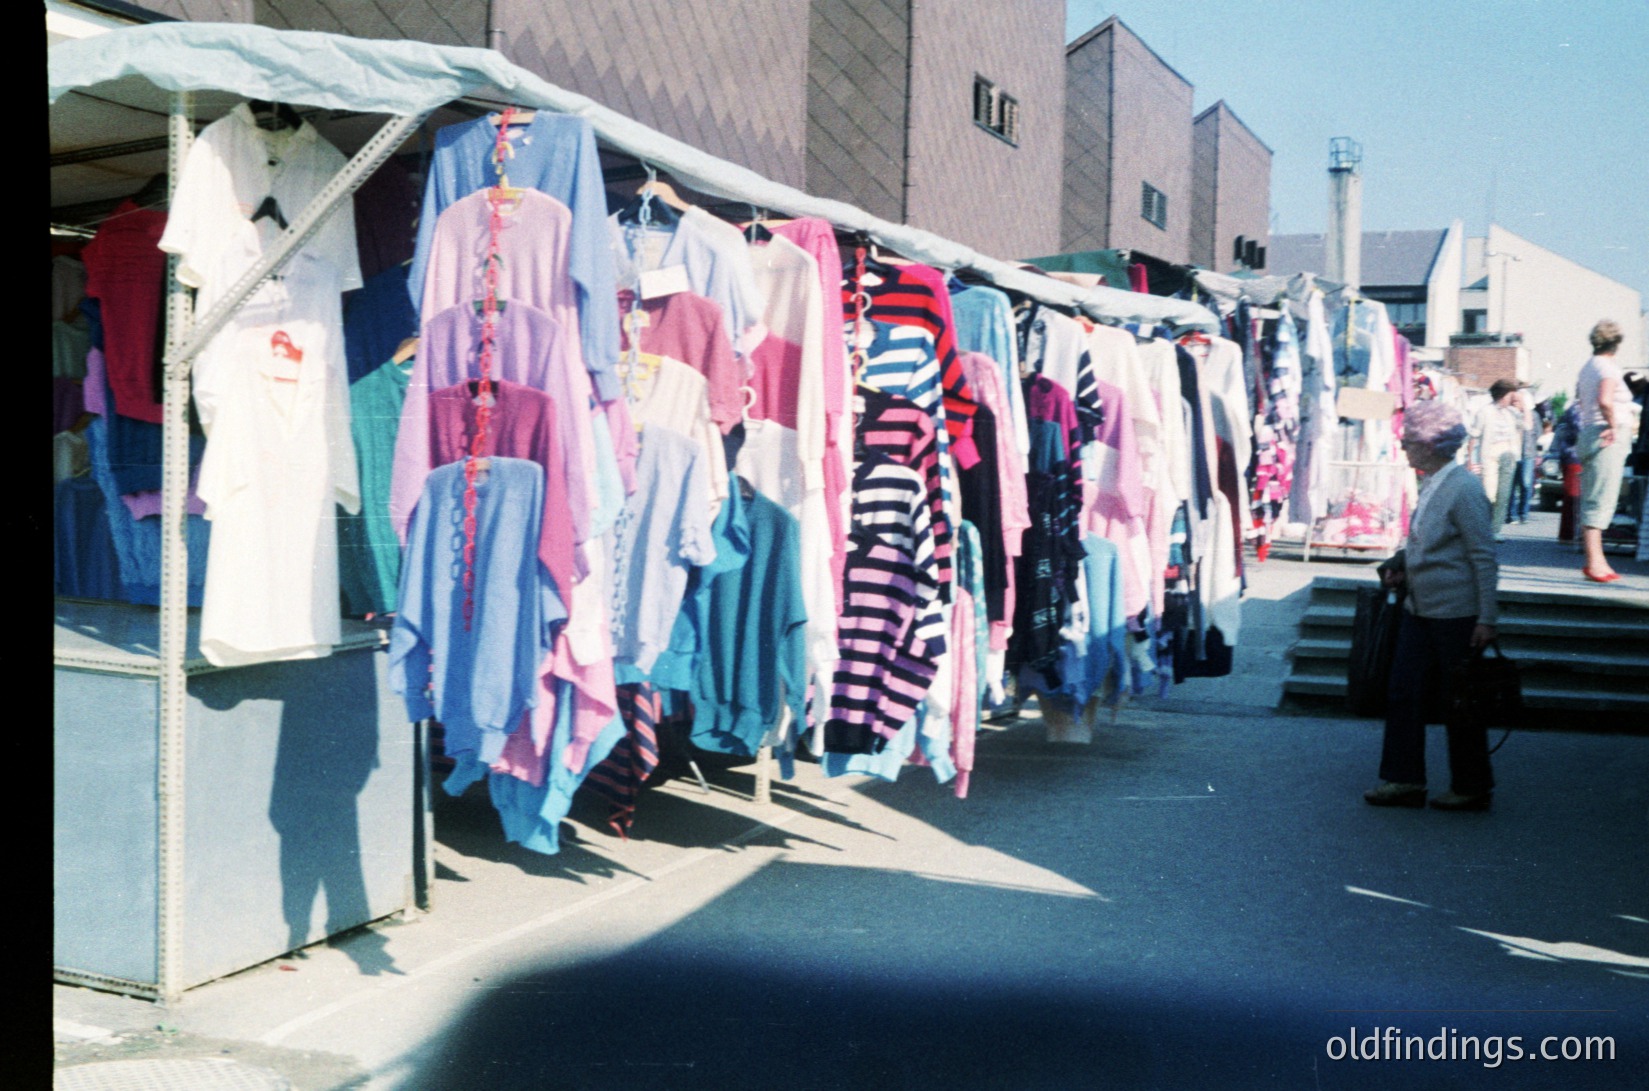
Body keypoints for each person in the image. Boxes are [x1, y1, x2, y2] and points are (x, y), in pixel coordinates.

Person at [1365, 398, 1499, 812]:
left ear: (1432, 444)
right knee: (1403, 691)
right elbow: (1425, 542)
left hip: (1455, 612)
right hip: (1419, 609)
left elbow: (1482, 555)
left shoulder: (1464, 488)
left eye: (1410, 440)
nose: (1404, 447)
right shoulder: (1434, 482)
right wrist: (1400, 564)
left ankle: (1472, 786)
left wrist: (1487, 617)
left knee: (1458, 700)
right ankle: (1404, 780)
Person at [1575, 320, 1633, 582]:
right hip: (1606, 434)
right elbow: (1605, 400)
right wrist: (1612, 425)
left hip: (1589, 432)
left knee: (1594, 496)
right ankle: (1595, 563)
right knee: (1601, 499)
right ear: (1616, 343)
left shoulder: (1588, 367)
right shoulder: (1607, 368)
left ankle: (1595, 561)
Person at [1469, 379, 1526, 541]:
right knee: (1489, 494)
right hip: (1490, 456)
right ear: (1502, 395)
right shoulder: (1484, 412)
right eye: (1510, 395)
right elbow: (1474, 436)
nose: (1512, 399)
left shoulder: (1511, 413)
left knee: (1504, 494)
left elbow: (1526, 426)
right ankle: (1480, 528)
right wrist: (1470, 461)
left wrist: (1523, 408)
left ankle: (1494, 530)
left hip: (1508, 455)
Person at [1505, 388, 1539, 525]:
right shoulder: (1508, 414)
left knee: (1525, 483)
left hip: (1527, 454)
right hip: (1512, 453)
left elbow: (1536, 433)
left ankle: (1523, 513)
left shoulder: (1533, 415)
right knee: (1511, 485)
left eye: (1517, 401)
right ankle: (1511, 514)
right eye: (1513, 401)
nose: (1514, 403)